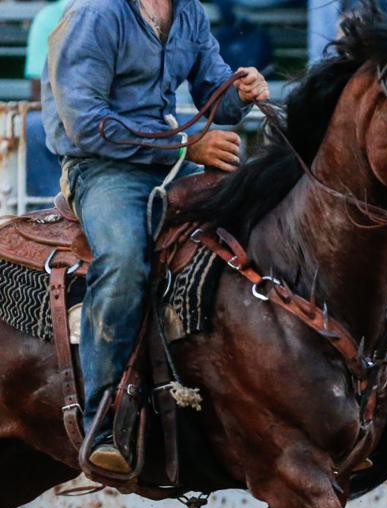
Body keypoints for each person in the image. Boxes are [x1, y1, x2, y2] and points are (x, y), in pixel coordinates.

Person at [44, 0, 269, 473]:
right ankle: (102, 419)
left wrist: (241, 90)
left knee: (255, 223)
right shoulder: (96, 14)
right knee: (124, 258)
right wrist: (185, 145)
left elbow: (215, 95)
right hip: (101, 168)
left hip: (164, 160)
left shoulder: (189, 12)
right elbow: (85, 124)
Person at [24, 0, 70, 200]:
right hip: (66, 110)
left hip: (113, 112)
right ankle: (48, 206)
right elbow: (39, 90)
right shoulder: (49, 17)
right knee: (33, 126)